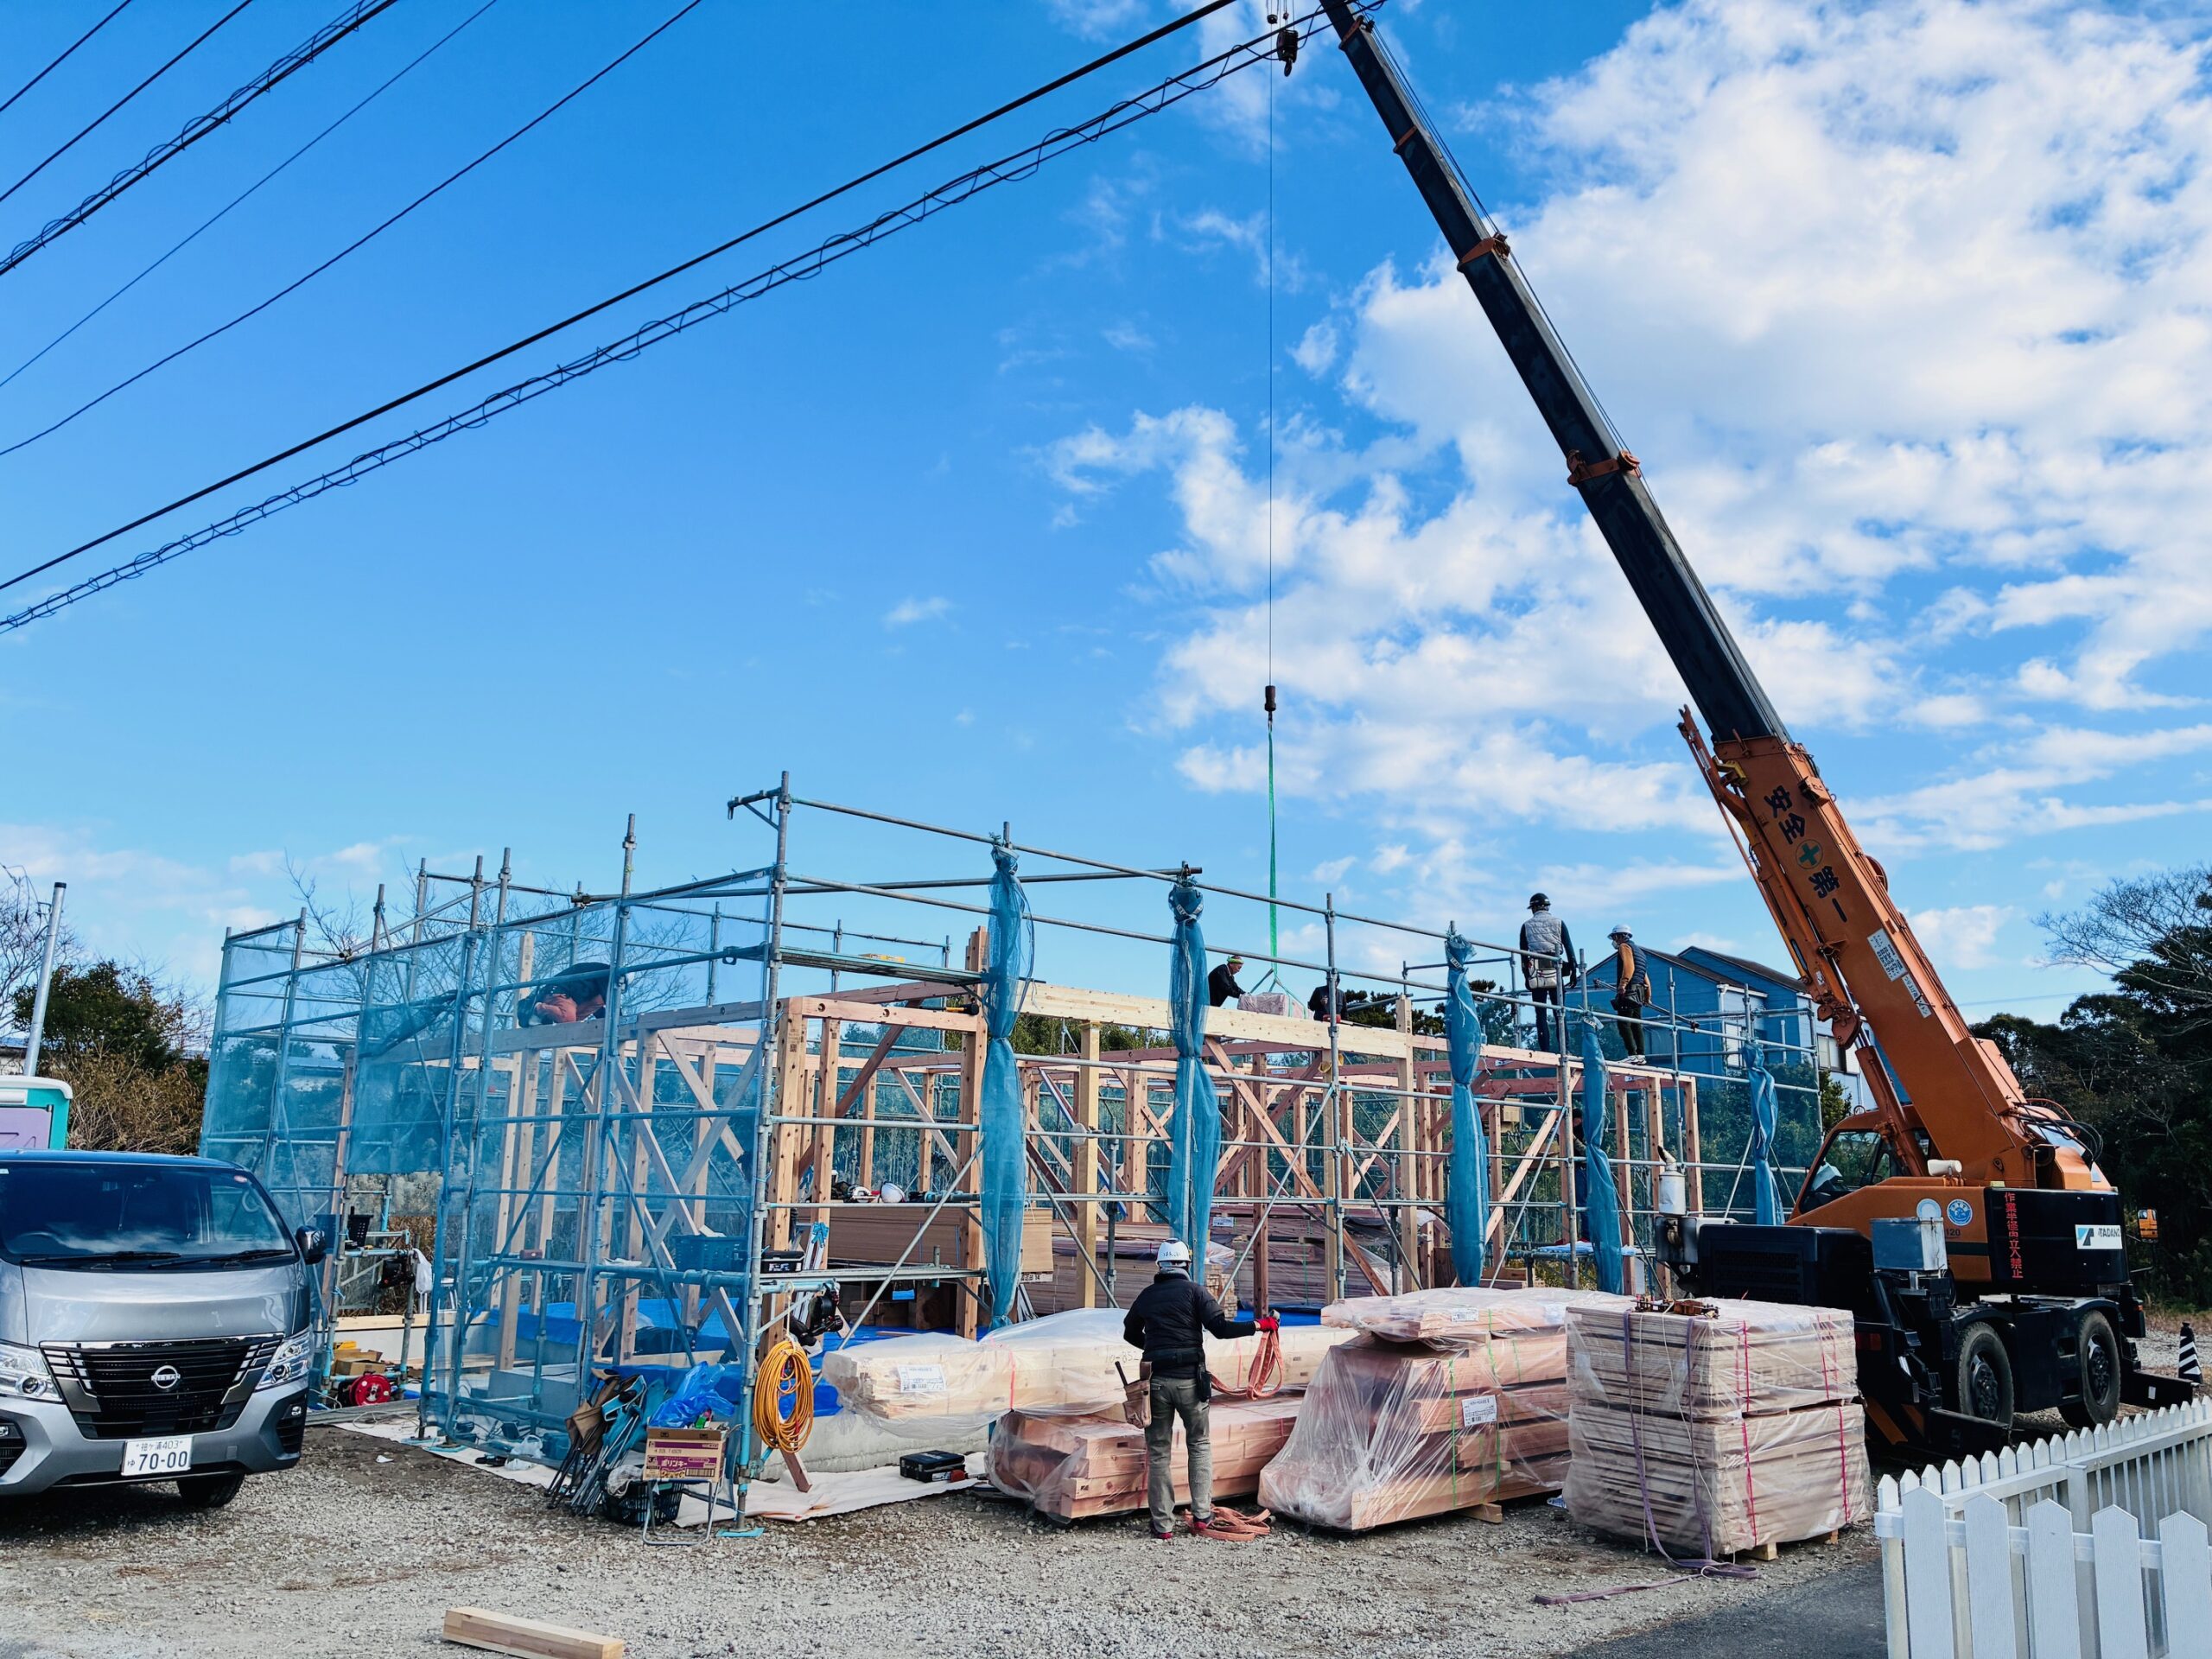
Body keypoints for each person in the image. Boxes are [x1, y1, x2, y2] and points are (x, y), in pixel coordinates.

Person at [1122, 1238, 1267, 1540]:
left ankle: (1162, 1526)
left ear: (1160, 1265)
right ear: (1187, 1265)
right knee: (1199, 1445)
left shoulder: (1147, 1296)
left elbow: (1129, 1332)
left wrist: (1153, 1347)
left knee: (1159, 1452)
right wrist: (1260, 1325)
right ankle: (1202, 1515)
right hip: (1190, 1381)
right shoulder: (1195, 1292)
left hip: (1156, 1383)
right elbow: (1222, 1329)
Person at [1517, 894, 1577, 1052]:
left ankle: (1545, 1050)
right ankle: (1566, 1048)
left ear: (1534, 908)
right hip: (1555, 968)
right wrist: (1573, 971)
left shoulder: (1526, 926)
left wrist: (1526, 976)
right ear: (1548, 907)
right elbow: (1569, 949)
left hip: (1536, 970)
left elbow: (1523, 954)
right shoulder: (1559, 923)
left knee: (1540, 1013)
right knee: (1560, 1012)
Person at [518, 961, 610, 1027]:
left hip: (573, 998)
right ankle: (538, 1008)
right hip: (558, 992)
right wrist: (620, 1021)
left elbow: (598, 1006)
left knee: (572, 1024)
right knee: (569, 1021)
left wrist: (604, 1023)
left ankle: (558, 1015)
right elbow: (610, 1000)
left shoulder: (602, 980)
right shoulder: (607, 975)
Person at [1608, 926, 1653, 1059]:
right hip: (1639, 990)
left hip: (1629, 990)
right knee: (1636, 1023)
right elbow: (1645, 976)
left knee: (1623, 1023)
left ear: (1619, 936)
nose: (1614, 941)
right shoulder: (1639, 951)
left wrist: (1623, 984)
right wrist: (1647, 996)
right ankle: (1641, 1055)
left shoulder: (1625, 947)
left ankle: (1632, 1055)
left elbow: (1629, 967)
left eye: (1614, 937)